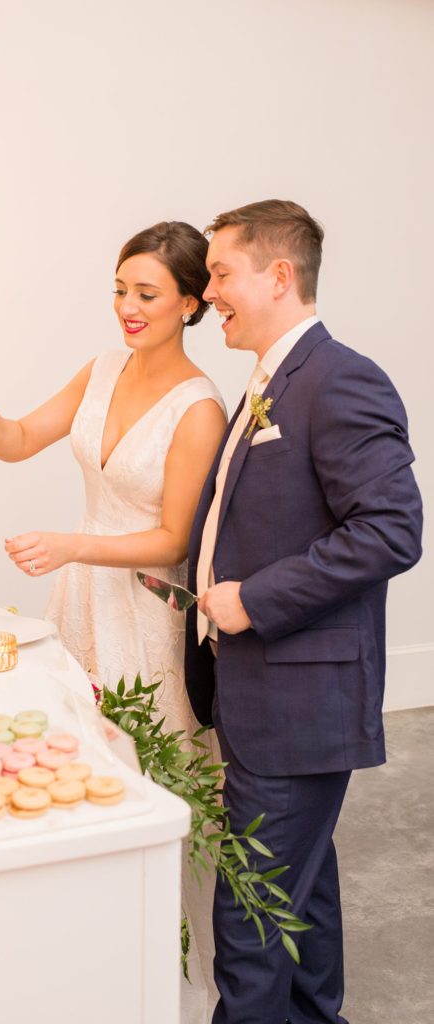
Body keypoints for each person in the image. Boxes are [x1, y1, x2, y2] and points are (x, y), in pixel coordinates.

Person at [0, 220, 228, 1022]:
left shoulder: (199, 409)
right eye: (119, 290)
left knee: (154, 787)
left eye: (147, 294)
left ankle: (167, 984)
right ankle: (91, 969)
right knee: (77, 776)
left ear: (191, 303)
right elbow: (27, 436)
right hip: (81, 605)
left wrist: (71, 543)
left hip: (148, 614)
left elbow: (172, 537)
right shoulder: (103, 368)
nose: (127, 308)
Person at [186, 199, 423, 1024]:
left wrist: (251, 599)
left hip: (300, 699)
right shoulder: (267, 381)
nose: (206, 289)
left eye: (220, 272)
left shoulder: (340, 378)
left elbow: (392, 531)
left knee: (251, 919)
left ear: (278, 275)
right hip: (263, 693)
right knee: (303, 894)